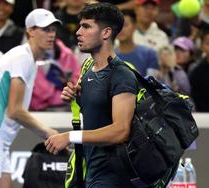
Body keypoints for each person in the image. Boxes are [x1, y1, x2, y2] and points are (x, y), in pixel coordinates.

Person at [0, 8, 60, 188]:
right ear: (30, 31)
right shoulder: (22, 57)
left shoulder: (29, 60)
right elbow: (14, 110)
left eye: (53, 29)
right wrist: (48, 132)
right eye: (45, 29)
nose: (51, 34)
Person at [45, 3, 138, 187]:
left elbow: (121, 131)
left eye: (86, 26)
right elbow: (96, 107)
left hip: (112, 175)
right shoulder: (87, 67)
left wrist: (69, 137)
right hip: (87, 168)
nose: (78, 32)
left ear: (106, 33)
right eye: (80, 26)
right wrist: (74, 96)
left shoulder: (122, 74)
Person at [30, 38, 81, 111]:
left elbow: (79, 82)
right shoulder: (31, 56)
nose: (49, 34)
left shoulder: (67, 54)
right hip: (39, 108)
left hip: (65, 106)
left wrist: (69, 82)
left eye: (52, 30)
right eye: (44, 30)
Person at [115, 9, 159, 76]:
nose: (121, 29)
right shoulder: (108, 57)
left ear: (135, 26)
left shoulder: (149, 54)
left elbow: (152, 83)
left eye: (125, 25)